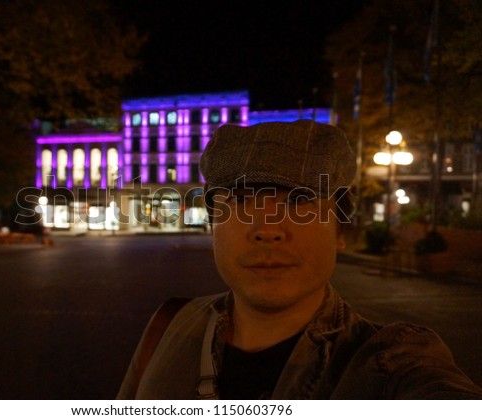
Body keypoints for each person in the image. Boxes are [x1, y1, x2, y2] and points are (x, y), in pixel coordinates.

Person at [117, 120, 482, 399]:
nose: (268, 229)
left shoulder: (392, 363)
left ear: (339, 231)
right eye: (241, 203)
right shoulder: (169, 325)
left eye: (299, 203)